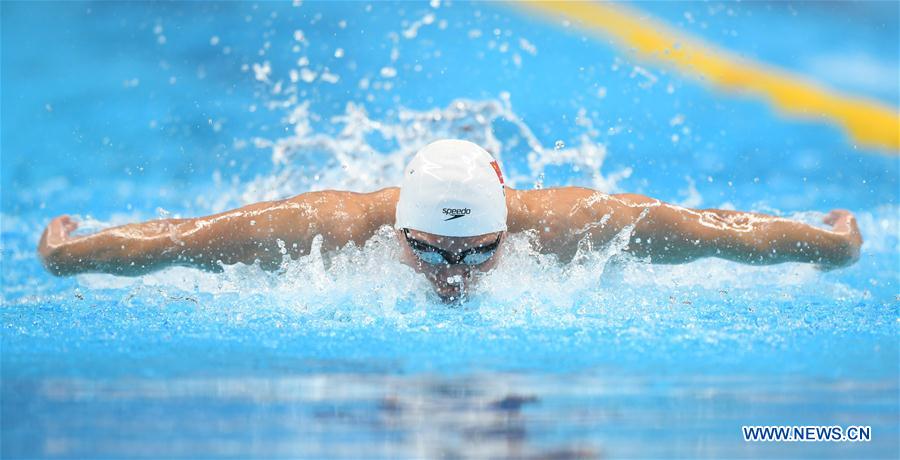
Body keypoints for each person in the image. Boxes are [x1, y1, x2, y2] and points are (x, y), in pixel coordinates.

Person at [38, 139, 862, 301]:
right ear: (393, 227)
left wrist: (827, 245)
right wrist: (72, 257)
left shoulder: (577, 222)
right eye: (428, 248)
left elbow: (716, 229)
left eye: (477, 252)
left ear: (512, 224)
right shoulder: (323, 226)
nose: (452, 275)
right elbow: (183, 238)